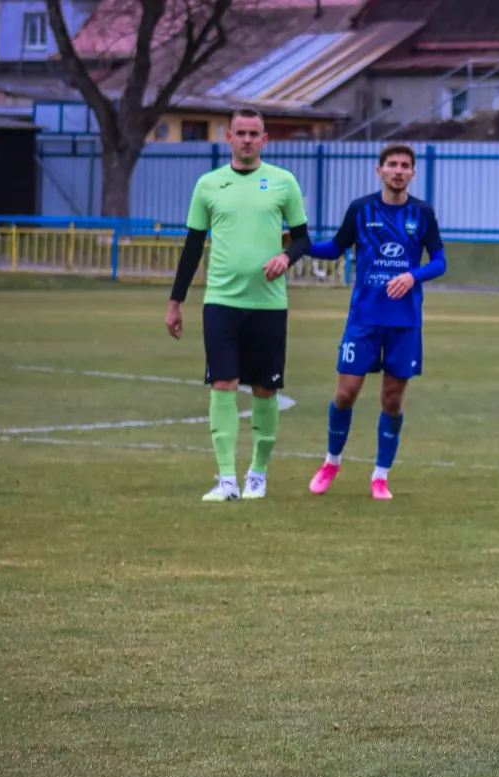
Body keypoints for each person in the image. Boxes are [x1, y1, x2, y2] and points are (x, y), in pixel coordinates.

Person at [166, 108, 311, 502]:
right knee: (223, 383)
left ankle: (257, 475)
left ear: (265, 140)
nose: (247, 140)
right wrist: (176, 302)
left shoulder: (283, 182)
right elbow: (192, 248)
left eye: (254, 133)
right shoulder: (208, 185)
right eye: (241, 133)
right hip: (221, 302)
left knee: (264, 388)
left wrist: (285, 257)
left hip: (269, 305)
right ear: (228, 137)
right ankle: (227, 479)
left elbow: (303, 239)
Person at [305, 143, 446, 500]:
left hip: (404, 322)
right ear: (379, 170)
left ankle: (380, 476)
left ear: (413, 173)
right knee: (346, 393)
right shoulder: (361, 209)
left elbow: (439, 261)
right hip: (364, 319)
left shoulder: (422, 213)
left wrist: (413, 276)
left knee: (392, 400)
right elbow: (335, 248)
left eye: (405, 165)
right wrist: (297, 246)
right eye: (392, 164)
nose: (398, 171)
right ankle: (331, 462)